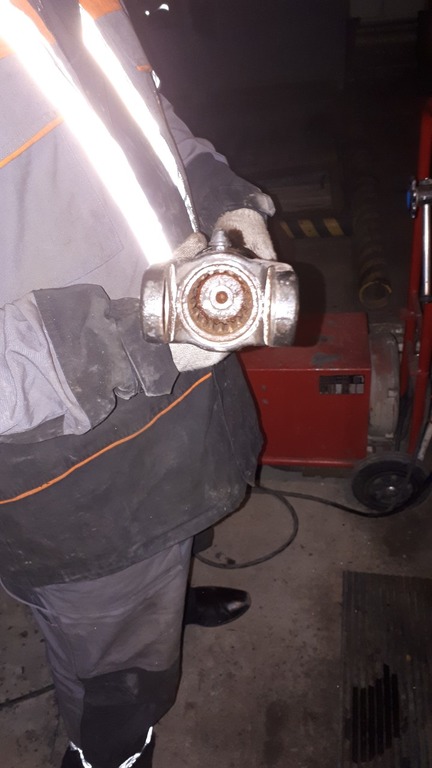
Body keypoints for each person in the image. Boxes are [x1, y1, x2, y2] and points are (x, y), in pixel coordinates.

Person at [0, 1, 278, 766]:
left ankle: (166, 598)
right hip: (80, 472)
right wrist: (127, 343)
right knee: (117, 687)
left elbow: (132, 112)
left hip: (182, 404)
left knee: (171, 553)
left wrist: (214, 187)